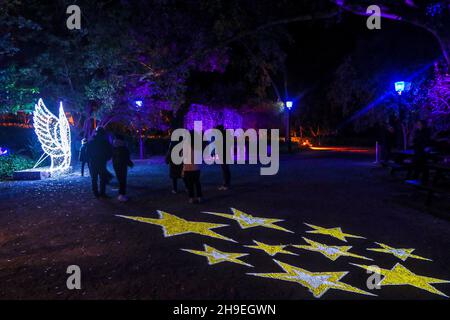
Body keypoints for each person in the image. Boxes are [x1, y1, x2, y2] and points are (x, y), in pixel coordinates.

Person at [86, 127, 113, 198]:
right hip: (101, 161)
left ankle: (96, 193)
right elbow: (110, 151)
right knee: (102, 178)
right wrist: (107, 158)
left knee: (94, 178)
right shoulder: (105, 142)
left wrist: (89, 159)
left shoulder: (91, 142)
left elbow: (87, 152)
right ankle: (102, 193)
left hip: (93, 161)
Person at [112, 134, 134, 202]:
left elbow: (113, 157)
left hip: (116, 165)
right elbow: (126, 157)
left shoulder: (114, 147)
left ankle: (121, 194)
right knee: (123, 180)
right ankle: (121, 195)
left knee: (120, 179)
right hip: (122, 165)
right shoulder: (124, 147)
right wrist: (130, 163)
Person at [182, 131, 203, 204]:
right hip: (196, 168)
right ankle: (199, 197)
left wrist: (183, 170)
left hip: (188, 168)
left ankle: (191, 198)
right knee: (197, 183)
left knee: (190, 184)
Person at [215, 125, 231, 190]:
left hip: (223, 154)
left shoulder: (221, 136)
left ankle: (226, 184)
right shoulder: (225, 135)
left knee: (225, 169)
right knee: (225, 169)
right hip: (225, 154)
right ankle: (226, 183)